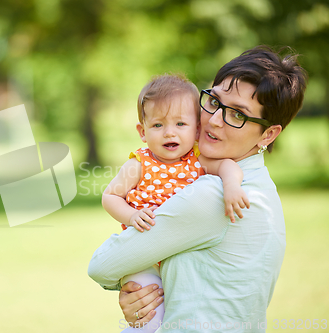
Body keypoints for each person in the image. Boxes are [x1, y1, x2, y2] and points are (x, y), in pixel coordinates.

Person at [88, 45, 307, 332]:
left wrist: (127, 283)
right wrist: (141, 293)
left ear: (268, 134)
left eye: (238, 115)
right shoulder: (263, 187)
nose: (214, 120)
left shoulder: (213, 195)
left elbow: (101, 265)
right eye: (214, 101)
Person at [102, 74, 250, 332]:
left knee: (182, 316)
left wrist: (232, 187)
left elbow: (227, 166)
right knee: (148, 318)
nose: (169, 132)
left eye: (180, 123)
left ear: (196, 129)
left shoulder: (198, 160)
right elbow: (110, 196)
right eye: (158, 125)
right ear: (142, 131)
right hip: (145, 258)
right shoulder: (139, 163)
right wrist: (130, 216)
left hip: (182, 258)